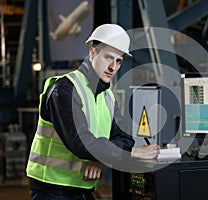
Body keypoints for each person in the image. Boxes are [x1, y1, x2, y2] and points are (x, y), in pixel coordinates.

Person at [26, 24, 160, 200]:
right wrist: (133, 152)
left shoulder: (107, 97)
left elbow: (124, 137)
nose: (113, 67)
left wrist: (100, 159)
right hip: (52, 189)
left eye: (118, 61)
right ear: (92, 53)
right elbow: (81, 142)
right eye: (108, 57)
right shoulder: (64, 90)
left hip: (81, 188)